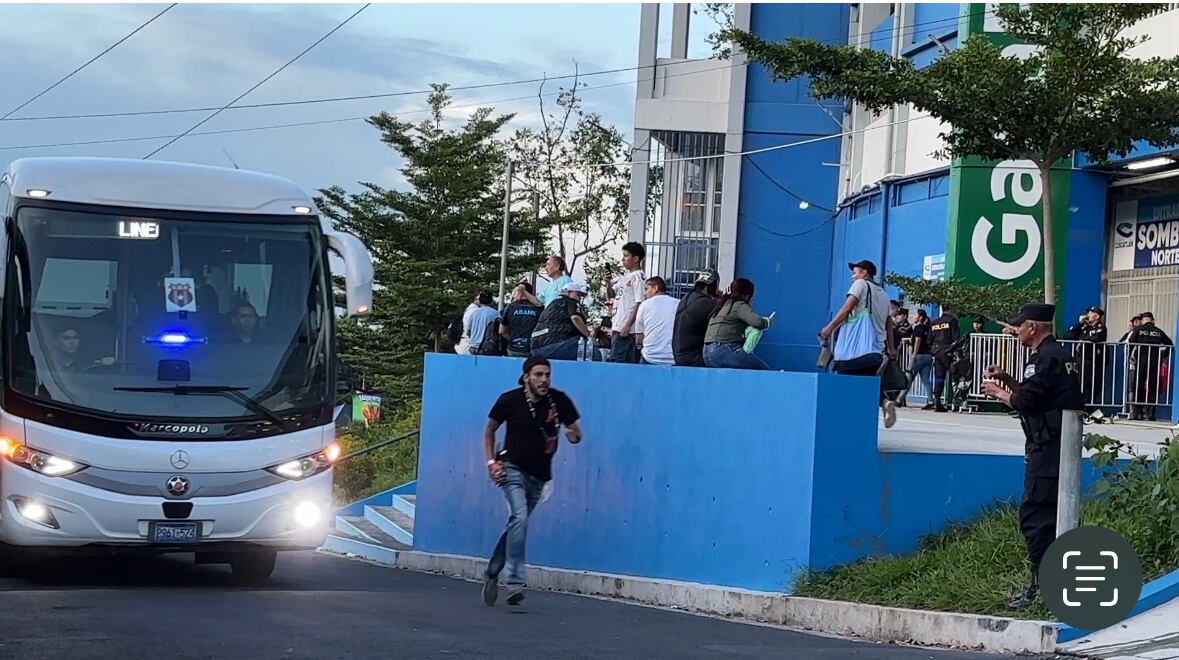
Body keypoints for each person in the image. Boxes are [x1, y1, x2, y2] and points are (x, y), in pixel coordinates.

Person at [981, 302, 1083, 609]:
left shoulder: (1044, 358)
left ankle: (1042, 586)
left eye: (1019, 325)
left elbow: (1028, 401)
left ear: (1033, 327)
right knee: (1051, 516)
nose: (1015, 330)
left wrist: (999, 392)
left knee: (1036, 517)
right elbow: (1042, 393)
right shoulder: (1060, 356)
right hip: (1057, 446)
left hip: (1047, 448)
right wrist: (1009, 380)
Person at [482, 356, 582, 607]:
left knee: (518, 523)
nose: (544, 380)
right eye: (538, 375)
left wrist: (573, 435)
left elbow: (575, 430)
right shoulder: (509, 400)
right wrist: (491, 462)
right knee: (520, 517)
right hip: (510, 469)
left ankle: (493, 570)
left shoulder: (558, 400)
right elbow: (489, 430)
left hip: (539, 477)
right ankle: (514, 581)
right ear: (526, 377)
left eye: (547, 375)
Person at [820, 259, 898, 428]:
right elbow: (889, 325)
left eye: (855, 272)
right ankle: (884, 403)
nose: (852, 277)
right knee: (866, 386)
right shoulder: (884, 295)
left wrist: (829, 328)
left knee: (843, 384)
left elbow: (848, 308)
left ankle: (841, 423)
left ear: (864, 273)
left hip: (855, 350)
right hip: (875, 351)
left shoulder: (860, 285)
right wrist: (891, 349)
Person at [702, 278, 772, 370]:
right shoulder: (739, 305)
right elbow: (757, 322)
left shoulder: (721, 305)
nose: (753, 299)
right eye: (752, 296)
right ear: (746, 296)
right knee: (764, 370)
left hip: (706, 353)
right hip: (724, 350)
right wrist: (767, 322)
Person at [1126, 311, 1173, 421]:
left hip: (1141, 361)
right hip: (1154, 362)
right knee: (1152, 386)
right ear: (1152, 321)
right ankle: (1150, 413)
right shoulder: (1158, 331)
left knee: (1138, 385)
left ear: (1143, 321)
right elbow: (1169, 344)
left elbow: (1130, 343)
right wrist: (1162, 356)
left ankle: (1138, 412)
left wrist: (1131, 356)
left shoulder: (1138, 330)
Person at [529, 282, 591, 361]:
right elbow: (575, 317)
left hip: (535, 347)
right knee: (592, 352)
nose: (579, 298)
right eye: (577, 295)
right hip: (555, 344)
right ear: (568, 292)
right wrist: (587, 335)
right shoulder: (571, 302)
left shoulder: (552, 304)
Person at [608, 242, 647, 364]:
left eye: (626, 256)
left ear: (635, 258)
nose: (622, 259)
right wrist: (608, 282)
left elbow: (639, 302)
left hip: (626, 330)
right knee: (614, 358)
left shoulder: (639, 277)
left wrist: (628, 324)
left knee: (620, 361)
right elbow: (611, 295)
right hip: (617, 324)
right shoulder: (625, 277)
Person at [673, 269, 720, 367]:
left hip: (678, 356)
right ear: (710, 286)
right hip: (694, 357)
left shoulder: (686, 298)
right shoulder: (707, 303)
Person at [1064, 306, 1108, 413]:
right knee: (1080, 382)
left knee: (1092, 383)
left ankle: (1088, 406)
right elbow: (1068, 336)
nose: (1087, 314)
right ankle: (1082, 405)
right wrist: (1078, 324)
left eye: (1090, 312)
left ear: (1097, 316)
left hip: (1093, 360)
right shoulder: (1084, 327)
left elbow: (1098, 338)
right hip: (1081, 359)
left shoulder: (1101, 327)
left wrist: (1084, 340)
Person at [633, 276, 678, 366]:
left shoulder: (644, 305)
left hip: (650, 357)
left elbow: (638, 339)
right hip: (673, 358)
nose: (644, 294)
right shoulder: (678, 303)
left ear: (655, 288)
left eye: (646, 289)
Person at [928, 305, 961, 412]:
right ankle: (957, 402)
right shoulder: (952, 321)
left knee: (939, 377)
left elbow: (929, 340)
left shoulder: (934, 322)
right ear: (951, 309)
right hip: (948, 351)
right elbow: (956, 338)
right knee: (956, 374)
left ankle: (937, 400)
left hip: (937, 352)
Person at [500, 282, 544, 358]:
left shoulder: (510, 307)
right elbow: (540, 304)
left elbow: (501, 331)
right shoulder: (537, 308)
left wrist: (512, 339)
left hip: (513, 349)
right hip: (531, 348)